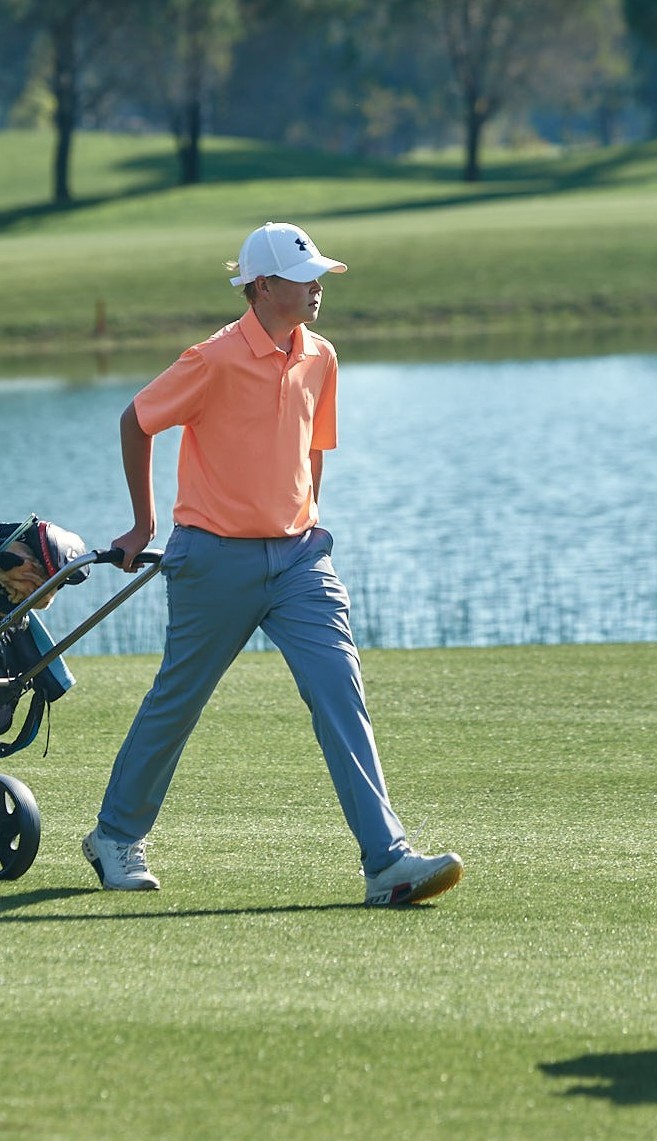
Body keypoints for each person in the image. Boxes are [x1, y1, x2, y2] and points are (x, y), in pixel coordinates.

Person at [86, 221, 464, 907]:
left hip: (299, 561)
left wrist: (307, 519)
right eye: (303, 277)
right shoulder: (212, 359)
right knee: (177, 702)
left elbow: (313, 447)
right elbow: (136, 420)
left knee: (340, 690)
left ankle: (387, 861)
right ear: (262, 287)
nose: (317, 287)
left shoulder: (321, 355)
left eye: (319, 275)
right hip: (212, 560)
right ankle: (115, 837)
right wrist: (144, 524)